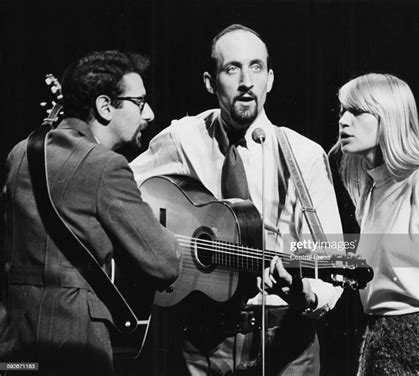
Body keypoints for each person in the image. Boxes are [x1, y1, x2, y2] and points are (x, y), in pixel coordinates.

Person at [131, 24, 343, 375]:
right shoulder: (183, 137)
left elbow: (330, 253)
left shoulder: (303, 154)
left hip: (286, 339)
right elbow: (121, 192)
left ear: (270, 79)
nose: (246, 80)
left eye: (256, 67)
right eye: (232, 68)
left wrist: (303, 291)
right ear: (209, 82)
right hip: (203, 342)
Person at [0, 50, 182, 375]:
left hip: (16, 343)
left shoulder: (19, 153)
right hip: (75, 344)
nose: (150, 113)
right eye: (139, 103)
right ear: (105, 107)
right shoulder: (106, 166)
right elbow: (164, 262)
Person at [330, 73, 419, 375]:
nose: (343, 121)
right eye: (342, 110)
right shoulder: (369, 193)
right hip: (376, 345)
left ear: (389, 117)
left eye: (356, 111)